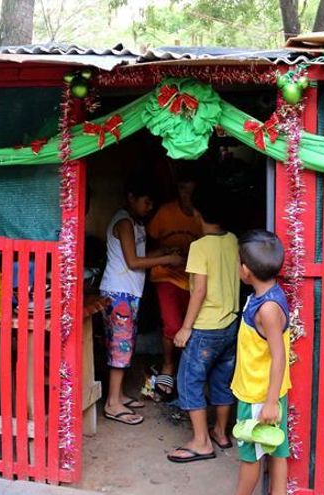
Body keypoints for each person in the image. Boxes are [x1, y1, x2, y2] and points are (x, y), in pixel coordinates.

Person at [99, 176, 183, 426]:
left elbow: (141, 256)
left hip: (128, 292)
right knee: (120, 348)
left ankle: (119, 395)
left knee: (125, 346)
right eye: (145, 202)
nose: (149, 207)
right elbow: (134, 262)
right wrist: (166, 261)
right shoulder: (124, 221)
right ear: (131, 198)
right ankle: (112, 404)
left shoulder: (135, 223)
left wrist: (164, 252)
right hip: (118, 293)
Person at [168, 185, 240, 463]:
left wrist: (186, 327)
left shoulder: (199, 247)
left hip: (207, 327)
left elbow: (198, 290)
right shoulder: (233, 239)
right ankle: (221, 433)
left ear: (196, 212)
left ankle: (201, 442)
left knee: (189, 380)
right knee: (222, 379)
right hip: (230, 325)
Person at [231, 230, 291, 495]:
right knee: (276, 449)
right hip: (268, 391)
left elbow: (278, 356)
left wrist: (268, 402)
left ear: (246, 271)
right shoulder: (268, 296)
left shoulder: (266, 309)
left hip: (258, 394)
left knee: (251, 455)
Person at [146, 166, 203, 399]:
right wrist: (166, 253)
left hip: (194, 279)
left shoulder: (203, 217)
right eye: (182, 191)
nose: (185, 197)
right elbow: (147, 245)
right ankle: (168, 365)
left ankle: (185, 370)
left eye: (190, 192)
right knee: (171, 324)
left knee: (193, 326)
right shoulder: (165, 213)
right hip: (166, 275)